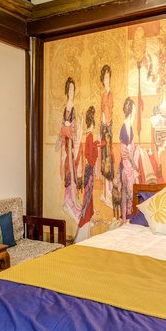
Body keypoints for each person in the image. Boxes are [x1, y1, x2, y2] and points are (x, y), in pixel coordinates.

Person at [76, 106, 103, 242]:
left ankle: (85, 233)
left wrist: (96, 145)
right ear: (93, 121)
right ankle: (83, 233)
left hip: (88, 170)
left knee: (89, 199)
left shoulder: (89, 135)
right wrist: (97, 149)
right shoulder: (90, 135)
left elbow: (89, 150)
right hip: (89, 171)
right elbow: (89, 156)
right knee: (87, 199)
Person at [58, 77, 81, 220]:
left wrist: (68, 127)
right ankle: (67, 198)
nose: (72, 91)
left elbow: (75, 127)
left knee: (71, 168)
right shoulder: (65, 107)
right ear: (67, 91)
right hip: (65, 143)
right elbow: (62, 126)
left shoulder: (73, 108)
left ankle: (72, 199)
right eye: (70, 89)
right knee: (66, 165)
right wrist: (64, 126)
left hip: (70, 143)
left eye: (73, 89)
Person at [119, 97, 139, 221]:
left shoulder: (128, 125)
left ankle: (129, 219)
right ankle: (127, 220)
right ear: (130, 113)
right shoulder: (126, 126)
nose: (135, 116)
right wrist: (133, 167)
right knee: (128, 193)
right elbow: (126, 153)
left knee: (129, 194)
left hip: (127, 163)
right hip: (126, 165)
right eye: (134, 113)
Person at [99, 64, 115, 208]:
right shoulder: (103, 94)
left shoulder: (110, 94)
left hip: (108, 129)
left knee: (109, 158)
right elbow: (102, 112)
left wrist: (106, 126)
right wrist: (102, 126)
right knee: (103, 159)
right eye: (105, 77)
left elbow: (109, 112)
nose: (107, 79)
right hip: (103, 128)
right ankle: (105, 192)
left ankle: (109, 192)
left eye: (108, 77)